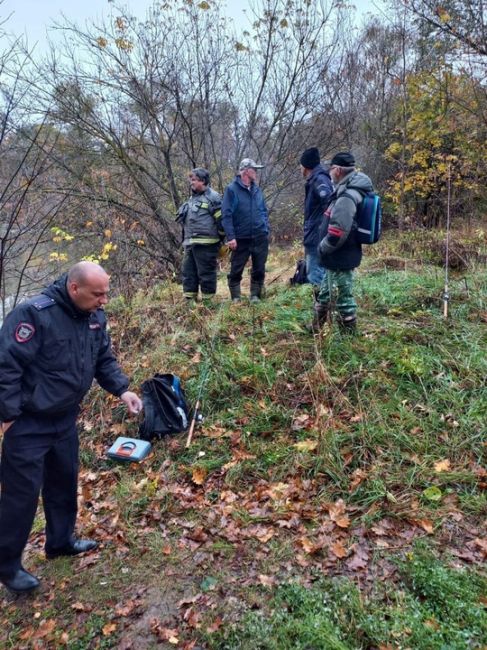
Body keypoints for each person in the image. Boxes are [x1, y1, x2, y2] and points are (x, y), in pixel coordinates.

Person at [0, 262, 142, 594]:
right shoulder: (32, 315)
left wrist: (123, 389)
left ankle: (60, 541)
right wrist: (7, 416)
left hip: (65, 419)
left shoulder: (94, 318)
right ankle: (7, 566)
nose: (104, 300)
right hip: (29, 423)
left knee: (64, 483)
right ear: (74, 288)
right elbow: (6, 367)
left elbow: (102, 359)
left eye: (106, 293)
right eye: (98, 294)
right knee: (20, 498)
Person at [312, 151, 374, 332]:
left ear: (338, 170)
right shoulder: (348, 190)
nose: (329, 172)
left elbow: (338, 231)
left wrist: (322, 248)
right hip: (339, 256)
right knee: (325, 292)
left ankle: (348, 338)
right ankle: (317, 328)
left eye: (331, 168)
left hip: (340, 255)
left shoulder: (347, 196)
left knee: (343, 296)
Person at [222, 158, 270, 303]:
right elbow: (226, 215)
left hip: (260, 236)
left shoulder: (257, 189)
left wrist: (265, 228)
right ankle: (236, 298)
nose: (256, 172)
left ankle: (255, 296)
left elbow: (263, 210)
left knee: (259, 268)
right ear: (246, 171)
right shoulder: (232, 190)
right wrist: (231, 237)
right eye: (254, 169)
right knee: (236, 269)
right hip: (240, 238)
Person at [176, 168, 224, 304]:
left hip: (207, 244)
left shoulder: (213, 197)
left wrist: (221, 239)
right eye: (190, 180)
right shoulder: (192, 198)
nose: (191, 183)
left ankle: (208, 303)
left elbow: (221, 222)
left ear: (202, 181)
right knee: (188, 272)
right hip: (190, 243)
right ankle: (190, 300)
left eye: (194, 180)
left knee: (206, 273)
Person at [299, 147, 333, 292]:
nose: (299, 168)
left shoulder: (319, 180)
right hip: (316, 233)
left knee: (315, 275)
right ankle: (325, 308)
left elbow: (329, 202)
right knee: (320, 273)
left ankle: (321, 311)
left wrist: (323, 227)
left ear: (305, 166)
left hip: (316, 236)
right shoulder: (318, 178)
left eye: (300, 165)